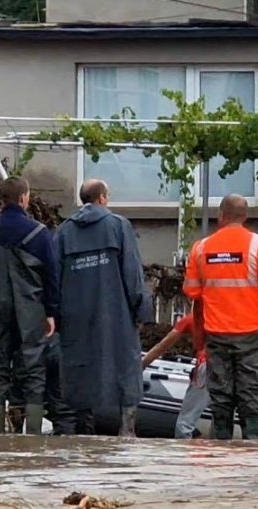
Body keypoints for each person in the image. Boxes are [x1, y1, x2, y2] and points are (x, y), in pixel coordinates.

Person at [183, 194, 258, 441]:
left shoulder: (201, 248)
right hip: (251, 334)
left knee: (221, 396)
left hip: (216, 333)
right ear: (245, 217)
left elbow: (191, 290)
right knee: (250, 392)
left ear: (220, 215)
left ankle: (222, 449)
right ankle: (251, 446)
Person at [56, 179, 153, 437]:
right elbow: (133, 274)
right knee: (125, 366)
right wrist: (141, 310)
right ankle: (126, 428)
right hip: (116, 313)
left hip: (75, 316)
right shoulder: (118, 226)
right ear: (102, 198)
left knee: (79, 368)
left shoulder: (64, 232)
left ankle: (83, 430)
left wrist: (55, 315)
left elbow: (55, 278)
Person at [0, 177, 60, 435]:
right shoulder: (40, 234)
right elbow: (52, 277)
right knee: (33, 371)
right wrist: (51, 312)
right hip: (31, 312)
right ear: (23, 199)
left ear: (2, 199)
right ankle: (31, 438)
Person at [142, 303, 208, 439]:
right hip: (230, 366)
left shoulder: (190, 320)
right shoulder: (224, 321)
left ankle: (183, 456)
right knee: (223, 418)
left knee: (184, 425)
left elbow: (162, 347)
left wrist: (140, 366)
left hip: (206, 367)